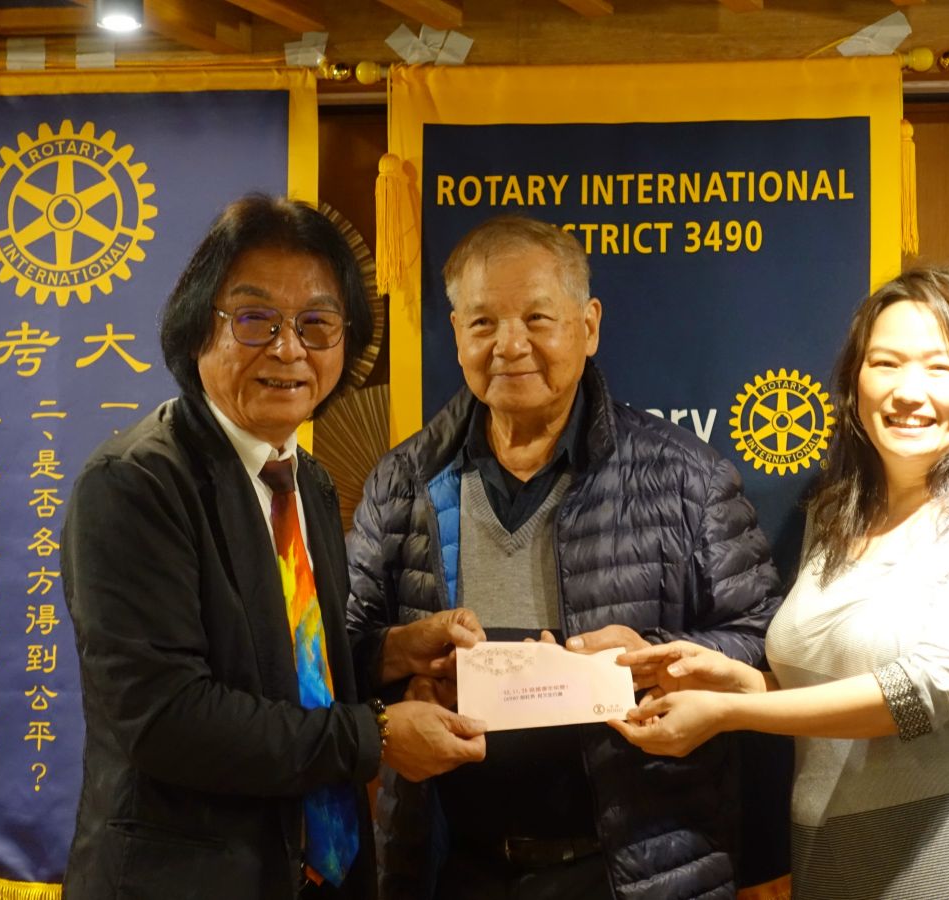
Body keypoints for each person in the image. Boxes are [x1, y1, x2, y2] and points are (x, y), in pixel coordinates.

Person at [60, 195, 488, 900]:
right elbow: (168, 718)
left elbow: (285, 667)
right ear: (196, 328)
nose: (289, 349)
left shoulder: (305, 480)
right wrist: (376, 736)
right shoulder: (135, 483)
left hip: (312, 873)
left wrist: (392, 655)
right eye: (256, 319)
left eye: (317, 324)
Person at [346, 215, 783, 899]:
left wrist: (653, 655)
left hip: (640, 867)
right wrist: (400, 668)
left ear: (589, 324)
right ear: (456, 334)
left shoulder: (687, 478)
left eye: (537, 318)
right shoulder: (403, 481)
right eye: (483, 322)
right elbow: (341, 654)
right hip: (453, 869)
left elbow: (764, 645)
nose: (509, 345)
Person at [612, 267, 949, 900]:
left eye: (941, 368)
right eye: (885, 363)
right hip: (828, 858)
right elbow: (829, 693)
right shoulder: (837, 514)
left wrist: (731, 713)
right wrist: (734, 680)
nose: (909, 391)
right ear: (856, 381)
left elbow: (921, 693)